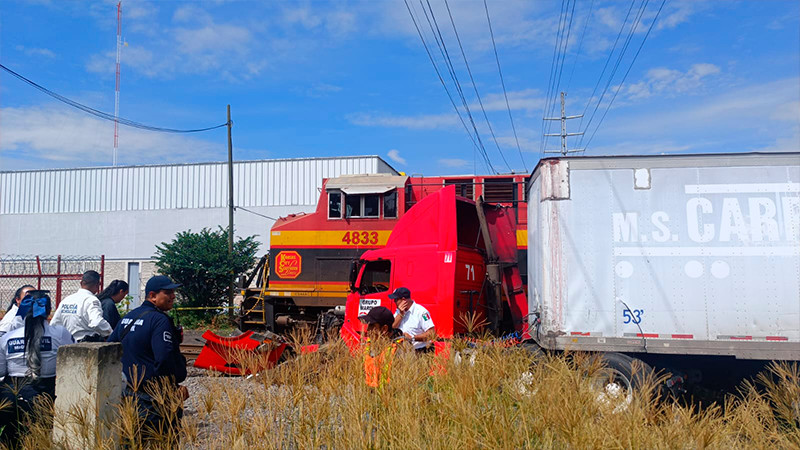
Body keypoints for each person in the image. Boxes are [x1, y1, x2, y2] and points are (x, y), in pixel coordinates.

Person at [107, 275, 187, 439]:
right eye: (168, 293)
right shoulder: (159, 320)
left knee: (132, 441)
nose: (173, 296)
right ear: (152, 295)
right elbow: (164, 357)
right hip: (154, 399)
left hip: (128, 394)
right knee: (163, 441)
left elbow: (109, 348)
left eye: (173, 292)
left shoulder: (128, 317)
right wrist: (172, 386)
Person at [0, 290, 74, 446]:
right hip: (47, 395)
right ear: (49, 311)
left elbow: (1, 371)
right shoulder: (61, 333)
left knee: (11, 437)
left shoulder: (7, 338)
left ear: (23, 312)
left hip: (12, 396)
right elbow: (72, 363)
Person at [50, 270, 113, 342]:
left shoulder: (67, 300)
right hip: (86, 343)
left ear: (81, 283)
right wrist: (111, 333)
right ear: (97, 285)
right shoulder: (91, 300)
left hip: (67, 342)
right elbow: (97, 322)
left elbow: (54, 323)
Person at [360, 306, 403, 390]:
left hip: (389, 396)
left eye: (372, 326)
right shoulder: (368, 346)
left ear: (384, 329)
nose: (367, 329)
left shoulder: (400, 349)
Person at [390, 287, 436, 351]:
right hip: (403, 351)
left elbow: (431, 333)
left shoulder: (421, 312)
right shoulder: (399, 311)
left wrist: (412, 338)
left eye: (396, 300)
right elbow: (392, 327)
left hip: (420, 350)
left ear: (403, 300)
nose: (394, 302)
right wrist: (400, 315)